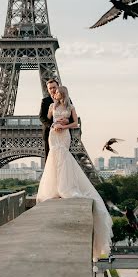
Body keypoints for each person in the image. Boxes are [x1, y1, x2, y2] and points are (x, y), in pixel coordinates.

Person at [36, 85, 113, 259]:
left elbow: (76, 123)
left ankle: (65, 187)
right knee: (55, 161)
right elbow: (46, 120)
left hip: (64, 134)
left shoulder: (70, 107)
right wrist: (55, 123)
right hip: (53, 135)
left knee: (64, 160)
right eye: (53, 91)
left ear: (62, 93)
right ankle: (57, 187)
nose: (55, 93)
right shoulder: (50, 106)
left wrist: (65, 125)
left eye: (57, 91)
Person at [39, 78, 73, 162]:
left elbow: (73, 118)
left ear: (58, 87)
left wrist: (67, 121)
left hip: (64, 133)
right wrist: (52, 125)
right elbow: (41, 117)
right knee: (50, 160)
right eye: (50, 88)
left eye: (54, 87)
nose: (52, 90)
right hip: (50, 133)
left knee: (65, 160)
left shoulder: (67, 100)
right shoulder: (45, 101)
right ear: (48, 90)